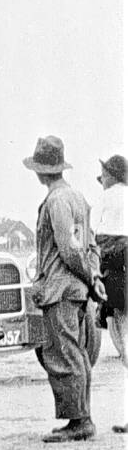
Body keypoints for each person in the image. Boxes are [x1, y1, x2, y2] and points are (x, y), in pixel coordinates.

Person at [24, 136, 104, 443]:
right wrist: (92, 277)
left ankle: (79, 421)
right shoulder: (78, 199)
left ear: (40, 171)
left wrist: (85, 273)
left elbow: (69, 250)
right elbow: (90, 244)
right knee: (77, 353)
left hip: (59, 288)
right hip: (76, 288)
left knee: (63, 353)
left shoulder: (56, 201)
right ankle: (81, 417)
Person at [93, 154, 126, 368]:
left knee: (113, 312)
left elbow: (93, 228)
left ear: (111, 177)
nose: (102, 180)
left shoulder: (105, 197)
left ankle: (124, 353)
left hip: (111, 256)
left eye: (104, 176)